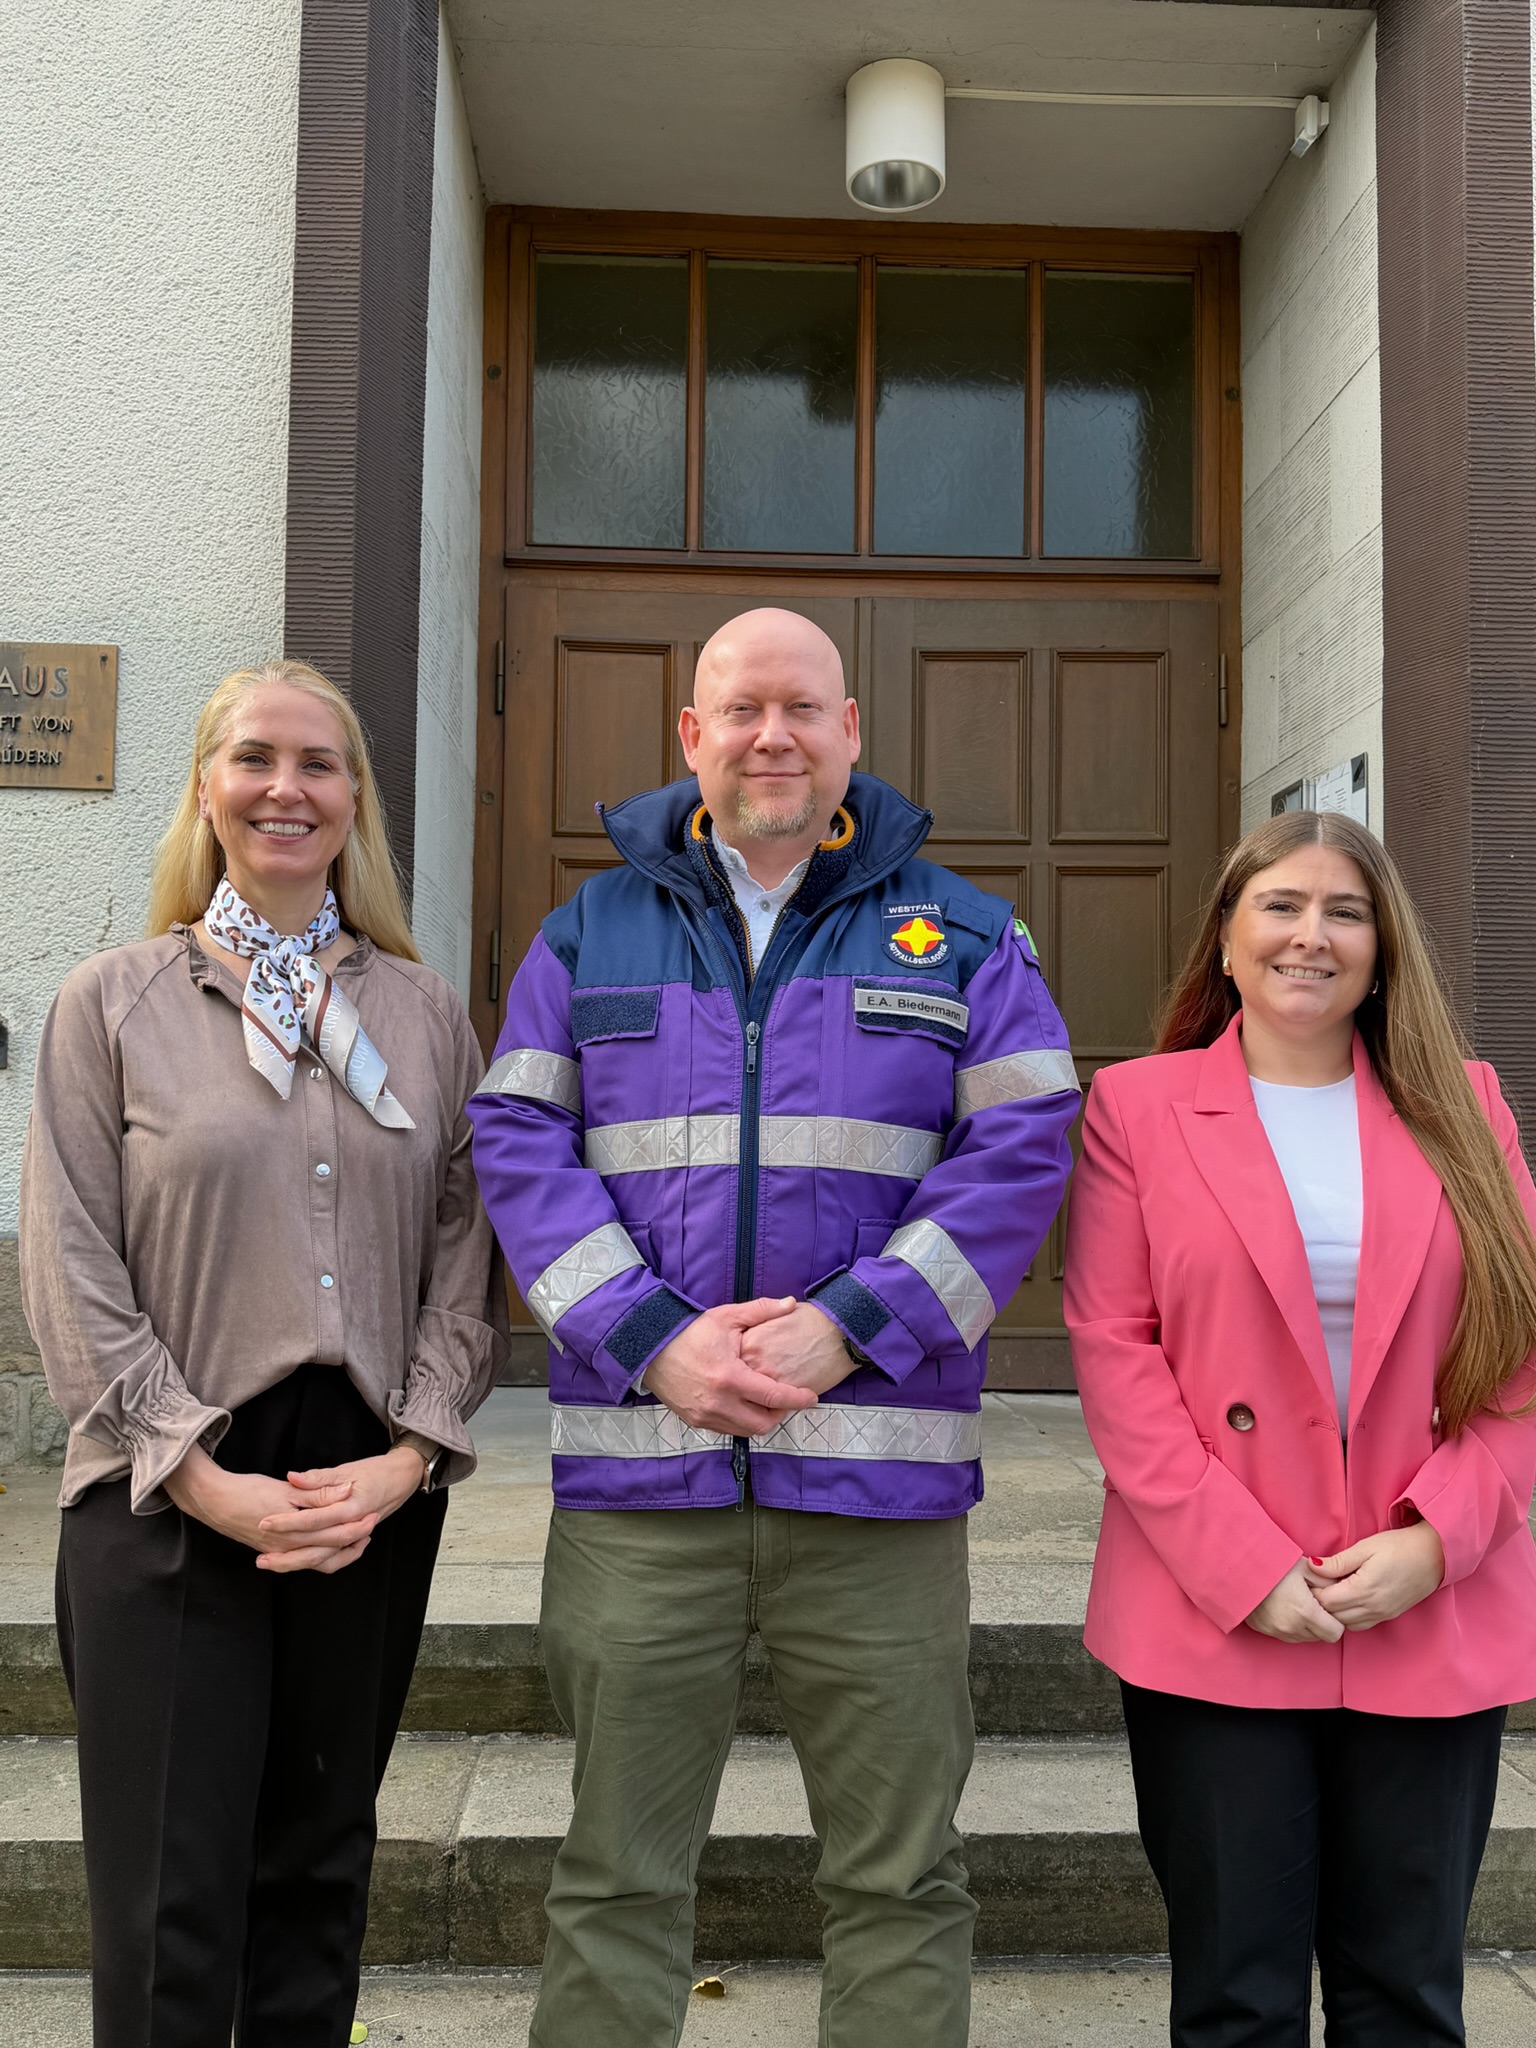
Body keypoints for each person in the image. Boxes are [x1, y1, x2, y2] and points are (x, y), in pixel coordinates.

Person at [469, 606, 1079, 2047]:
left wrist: (846, 1329)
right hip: (642, 1487)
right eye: (741, 709)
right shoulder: (585, 932)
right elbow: (518, 1147)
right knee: (615, 1878)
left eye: (803, 707)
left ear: (852, 731)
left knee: (900, 1879)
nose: (773, 735)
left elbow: (1024, 1154)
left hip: (874, 1494)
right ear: (691, 735)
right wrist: (651, 1338)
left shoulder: (967, 939)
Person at [20, 658, 506, 2048]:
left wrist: (411, 1457)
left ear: (357, 801)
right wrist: (192, 1470)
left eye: (320, 763)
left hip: (362, 1494)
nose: (287, 788)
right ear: (206, 790)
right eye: (255, 759)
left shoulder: (419, 1017)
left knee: (315, 1880)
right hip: (168, 1490)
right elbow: (71, 1262)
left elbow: (463, 1247)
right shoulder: (114, 1003)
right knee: (170, 1909)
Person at [1064, 809, 1536, 2046]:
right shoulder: (1139, 1105)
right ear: (1225, 937)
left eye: (1345, 910)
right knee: (1235, 1997)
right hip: (1217, 1608)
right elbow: (1119, 1354)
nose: (1309, 935)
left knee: (1409, 1997)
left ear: (1384, 948)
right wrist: (1243, 1562)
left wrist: (1441, 1536)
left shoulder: (1467, 1104)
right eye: (1279, 905)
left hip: (1424, 1595)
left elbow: (1525, 1354)